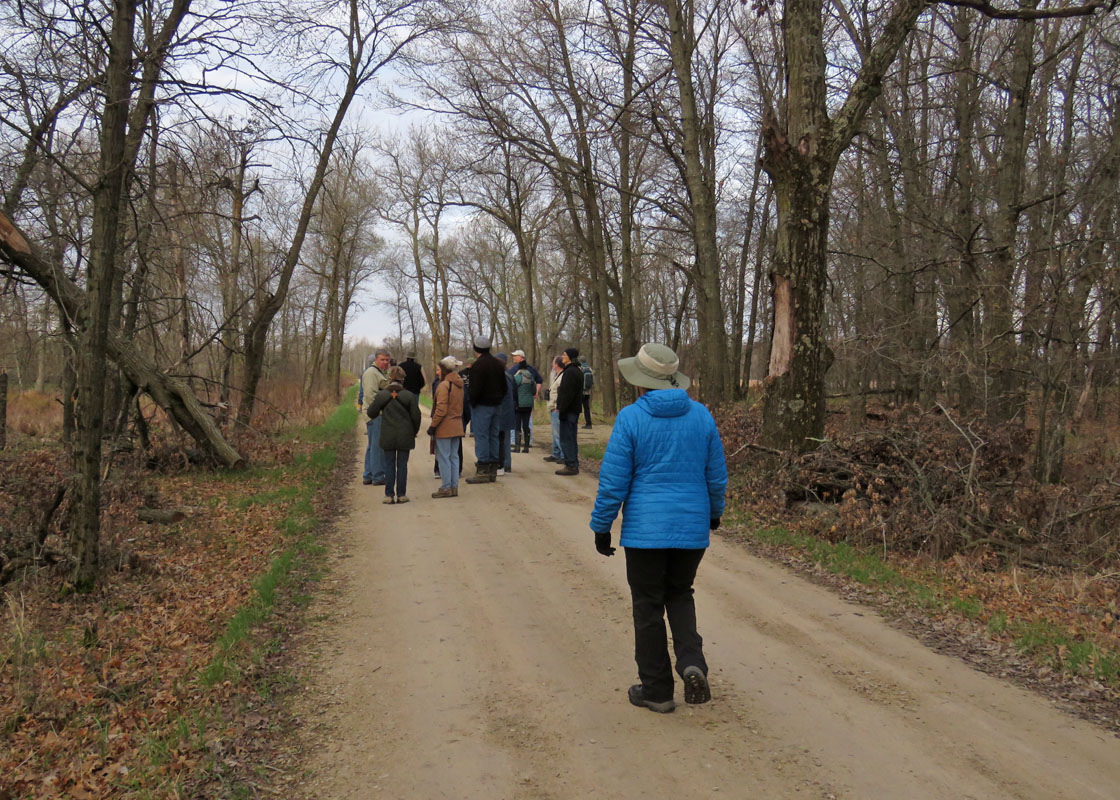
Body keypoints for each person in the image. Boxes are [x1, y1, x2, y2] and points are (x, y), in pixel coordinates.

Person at [589, 343, 727, 714]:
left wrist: (602, 527)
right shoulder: (701, 416)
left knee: (648, 607)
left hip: (646, 535)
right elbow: (716, 475)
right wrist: (714, 513)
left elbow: (613, 481)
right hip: (691, 528)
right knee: (680, 594)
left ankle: (657, 691)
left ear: (641, 382)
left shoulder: (631, 418)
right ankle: (691, 663)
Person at [368, 365, 422, 504]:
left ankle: (389, 495)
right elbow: (416, 417)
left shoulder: (382, 395)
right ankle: (402, 494)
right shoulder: (409, 396)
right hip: (405, 434)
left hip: (388, 434)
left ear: (390, 378)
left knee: (389, 464)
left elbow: (371, 413)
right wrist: (413, 431)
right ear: (403, 379)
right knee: (402, 465)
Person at [465, 335, 507, 484]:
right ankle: (493, 469)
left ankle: (482, 469)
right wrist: (498, 400)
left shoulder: (478, 365)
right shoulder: (498, 365)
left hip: (482, 406)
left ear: (476, 348)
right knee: (493, 435)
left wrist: (473, 402)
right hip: (497, 406)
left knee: (482, 436)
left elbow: (474, 389)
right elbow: (504, 387)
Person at [428, 356, 464, 498]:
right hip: (457, 424)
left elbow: (441, 409)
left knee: (443, 457)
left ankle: (446, 487)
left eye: (438, 370)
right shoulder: (459, 384)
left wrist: (433, 425)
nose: (437, 373)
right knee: (454, 456)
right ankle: (453, 487)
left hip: (445, 426)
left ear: (443, 370)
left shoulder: (444, 385)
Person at [361, 350, 392, 486]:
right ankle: (378, 476)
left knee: (372, 445)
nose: (385, 362)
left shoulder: (380, 373)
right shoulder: (371, 373)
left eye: (387, 360)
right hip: (375, 414)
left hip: (377, 414)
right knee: (378, 446)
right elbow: (371, 396)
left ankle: (368, 475)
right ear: (376, 360)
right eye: (382, 360)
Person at [554, 347, 584, 476]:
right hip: (572, 410)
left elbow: (567, 393)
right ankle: (573, 463)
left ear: (570, 357)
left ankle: (571, 465)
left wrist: (561, 407)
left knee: (567, 438)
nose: (562, 356)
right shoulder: (575, 370)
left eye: (564, 354)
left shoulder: (571, 372)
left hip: (569, 411)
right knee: (571, 437)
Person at [495, 353, 518, 475]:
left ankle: (503, 464)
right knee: (505, 440)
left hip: (502, 413)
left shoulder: (502, 377)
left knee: (501, 440)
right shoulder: (510, 376)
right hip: (508, 412)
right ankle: (506, 464)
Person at [543, 355, 564, 464]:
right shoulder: (556, 375)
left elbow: (561, 393)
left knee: (558, 433)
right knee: (554, 432)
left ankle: (562, 454)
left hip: (557, 408)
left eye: (553, 362)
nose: (552, 364)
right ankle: (556, 453)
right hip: (553, 407)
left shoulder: (562, 376)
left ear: (556, 364)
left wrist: (558, 407)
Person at [512, 357, 536, 453]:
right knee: (526, 425)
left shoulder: (517, 378)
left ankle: (517, 447)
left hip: (519, 405)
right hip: (529, 404)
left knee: (518, 425)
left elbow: (513, 390)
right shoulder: (531, 378)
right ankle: (526, 447)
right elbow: (534, 392)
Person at [579, 355, 594, 428]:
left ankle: (573, 423)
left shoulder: (580, 368)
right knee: (586, 408)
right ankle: (589, 423)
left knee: (578, 407)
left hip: (581, 392)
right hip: (588, 391)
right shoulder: (590, 368)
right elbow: (592, 381)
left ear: (580, 361)